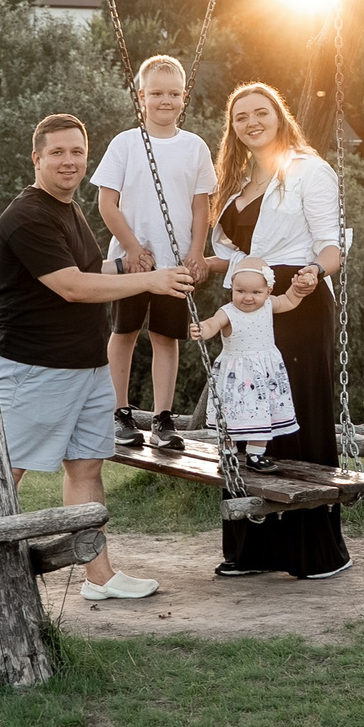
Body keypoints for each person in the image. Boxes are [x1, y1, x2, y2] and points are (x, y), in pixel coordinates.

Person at [0, 112, 197, 602]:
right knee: (6, 475)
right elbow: (72, 287)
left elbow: (86, 268)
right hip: (34, 369)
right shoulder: (26, 216)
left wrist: (124, 264)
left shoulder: (69, 208)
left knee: (86, 470)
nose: (69, 161)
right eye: (57, 152)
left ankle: (99, 577)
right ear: (36, 158)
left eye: (77, 152)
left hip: (86, 369)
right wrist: (146, 281)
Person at [204, 80, 350, 580]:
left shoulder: (310, 171)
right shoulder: (238, 183)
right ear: (233, 127)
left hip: (298, 299)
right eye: (240, 116)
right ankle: (253, 550)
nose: (251, 121)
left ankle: (314, 550)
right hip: (247, 305)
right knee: (246, 418)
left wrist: (317, 273)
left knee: (297, 414)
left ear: (279, 115)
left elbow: (330, 244)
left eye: (260, 111)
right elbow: (227, 257)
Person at [89, 54, 214, 452]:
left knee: (165, 337)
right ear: (141, 96)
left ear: (184, 97)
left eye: (174, 93)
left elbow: (200, 206)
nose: (166, 100)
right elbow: (107, 204)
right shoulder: (125, 143)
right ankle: (119, 411)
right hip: (132, 261)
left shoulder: (194, 147)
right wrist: (131, 247)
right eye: (157, 93)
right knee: (123, 332)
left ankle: (162, 418)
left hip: (175, 263)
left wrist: (196, 251)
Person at [187, 258, 302, 470]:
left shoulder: (269, 304)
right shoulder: (228, 311)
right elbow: (213, 323)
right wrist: (202, 329)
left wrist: (298, 290)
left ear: (268, 291)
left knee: (263, 412)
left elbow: (288, 300)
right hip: (237, 375)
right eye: (240, 291)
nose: (247, 298)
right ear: (232, 289)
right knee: (231, 414)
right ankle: (228, 453)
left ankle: (256, 455)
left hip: (265, 373)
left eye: (256, 293)